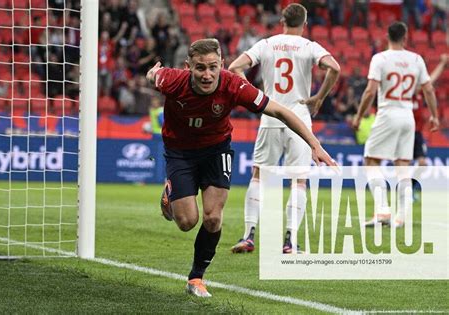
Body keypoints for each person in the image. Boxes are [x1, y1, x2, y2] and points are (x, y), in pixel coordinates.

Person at [146, 38, 336, 297]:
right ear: (188, 66)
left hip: (216, 150)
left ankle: (197, 278)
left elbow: (281, 112)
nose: (207, 74)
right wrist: (152, 74)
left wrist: (315, 145)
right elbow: (154, 76)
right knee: (187, 221)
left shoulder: (234, 85)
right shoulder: (173, 81)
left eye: (213, 67)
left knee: (213, 218)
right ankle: (170, 193)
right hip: (180, 153)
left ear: (222, 64)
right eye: (200, 68)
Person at [227, 3, 340, 254]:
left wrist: (255, 96)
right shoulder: (310, 46)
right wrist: (319, 97)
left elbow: (234, 67)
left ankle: (248, 235)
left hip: (270, 115)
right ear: (305, 24)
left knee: (258, 176)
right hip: (299, 117)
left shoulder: (267, 43)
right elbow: (335, 67)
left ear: (282, 21)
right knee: (298, 181)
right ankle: (289, 241)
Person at [352, 22, 439, 228]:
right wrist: (434, 115)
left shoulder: (380, 58)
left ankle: (382, 210)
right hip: (408, 116)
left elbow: (370, 91)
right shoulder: (416, 59)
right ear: (406, 37)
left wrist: (359, 115)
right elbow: (428, 90)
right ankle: (400, 218)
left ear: (386, 37)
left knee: (370, 161)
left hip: (388, 112)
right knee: (403, 167)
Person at [413, 54, 447, 167]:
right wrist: (442, 65)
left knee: (422, 164)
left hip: (417, 134)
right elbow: (429, 82)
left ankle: (411, 184)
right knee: (403, 163)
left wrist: (442, 65)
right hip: (405, 133)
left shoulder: (419, 95)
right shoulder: (409, 93)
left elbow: (430, 81)